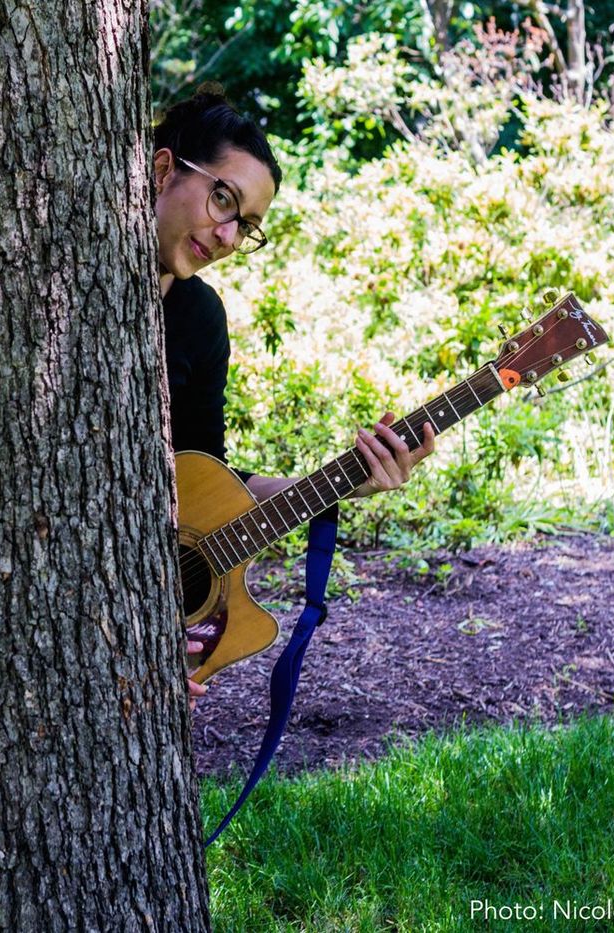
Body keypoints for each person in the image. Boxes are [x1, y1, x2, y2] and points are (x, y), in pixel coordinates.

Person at [151, 90, 437, 706]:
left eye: (247, 227)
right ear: (163, 169)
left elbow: (204, 477)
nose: (228, 236)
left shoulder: (201, 317)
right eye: (223, 199)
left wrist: (348, 481)